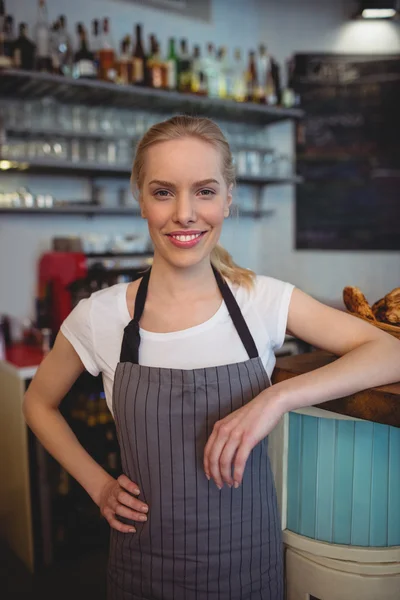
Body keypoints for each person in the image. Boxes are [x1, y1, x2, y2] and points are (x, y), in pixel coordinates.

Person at [23, 115, 400, 600]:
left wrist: (275, 398)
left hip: (248, 567)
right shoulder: (101, 316)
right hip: (141, 570)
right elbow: (38, 403)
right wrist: (97, 485)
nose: (184, 213)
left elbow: (389, 351)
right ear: (141, 199)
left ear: (228, 198)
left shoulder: (263, 300)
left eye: (204, 191)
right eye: (163, 192)